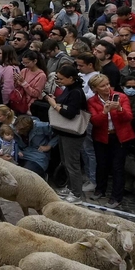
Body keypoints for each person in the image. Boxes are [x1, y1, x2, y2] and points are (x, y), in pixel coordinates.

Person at [86, 73, 135, 206]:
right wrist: (104, 112)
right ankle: (100, 190)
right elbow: (95, 122)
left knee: (117, 167)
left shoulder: (122, 97)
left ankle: (116, 197)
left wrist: (119, 109)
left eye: (107, 84)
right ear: (95, 89)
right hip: (101, 136)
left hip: (120, 137)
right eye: (102, 86)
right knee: (101, 165)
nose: (107, 87)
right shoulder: (91, 101)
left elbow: (129, 118)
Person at [45, 63, 89, 201]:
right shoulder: (69, 89)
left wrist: (53, 104)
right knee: (65, 162)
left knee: (72, 164)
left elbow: (70, 113)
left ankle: (76, 193)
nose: (59, 81)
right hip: (64, 131)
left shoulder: (76, 92)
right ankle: (70, 187)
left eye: (61, 78)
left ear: (71, 78)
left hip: (73, 134)